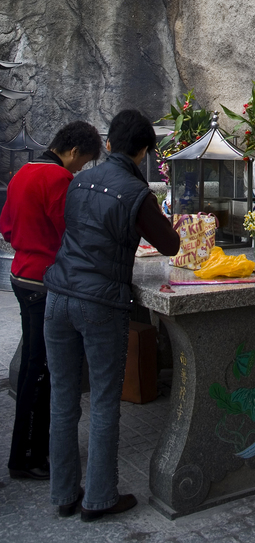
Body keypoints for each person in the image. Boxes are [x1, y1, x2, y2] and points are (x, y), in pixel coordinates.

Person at [44, 109, 180, 522]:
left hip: (58, 296)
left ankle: (64, 494)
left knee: (63, 401)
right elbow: (171, 244)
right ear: (143, 152)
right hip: (99, 304)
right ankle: (99, 498)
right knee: (104, 402)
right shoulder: (135, 192)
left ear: (107, 144)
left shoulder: (79, 179)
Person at [0, 120, 102, 481]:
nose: (81, 169)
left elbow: (7, 228)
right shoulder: (59, 180)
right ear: (74, 152)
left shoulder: (22, 173)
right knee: (42, 371)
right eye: (84, 161)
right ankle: (28, 456)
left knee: (32, 365)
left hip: (20, 274)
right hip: (44, 282)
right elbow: (71, 234)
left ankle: (27, 451)